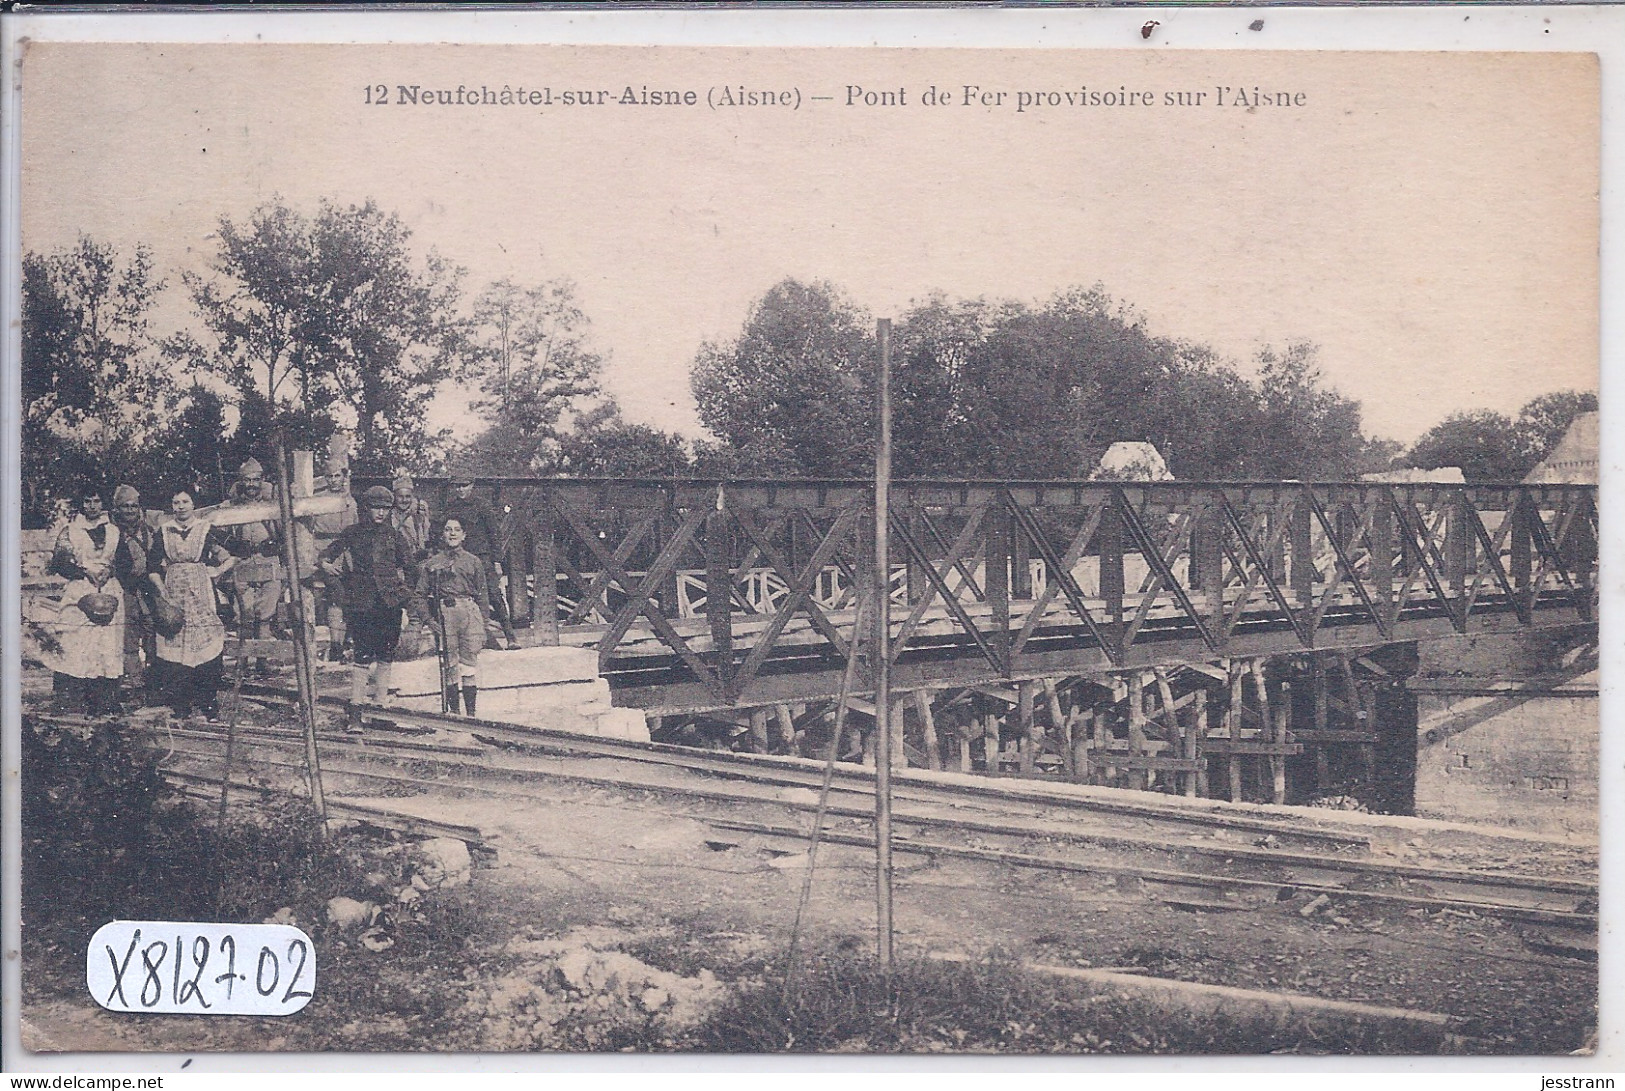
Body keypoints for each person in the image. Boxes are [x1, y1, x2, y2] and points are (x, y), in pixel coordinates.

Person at [320, 484, 419, 729]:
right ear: (366, 508)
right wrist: (328, 570)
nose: (381, 513)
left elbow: (411, 569)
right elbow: (326, 556)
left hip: (389, 605)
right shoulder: (352, 533)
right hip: (361, 605)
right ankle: (356, 712)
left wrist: (403, 594)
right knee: (362, 655)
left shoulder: (395, 536)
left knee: (386, 655)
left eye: (385, 509)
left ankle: (380, 710)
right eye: (376, 508)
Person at [43, 489, 140, 715]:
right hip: (80, 590)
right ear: (81, 504)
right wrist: (83, 571)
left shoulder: (114, 531)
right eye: (88, 500)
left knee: (107, 643)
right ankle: (73, 699)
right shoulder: (70, 531)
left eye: (97, 501)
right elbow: (60, 562)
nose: (93, 506)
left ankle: (104, 700)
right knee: (76, 642)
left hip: (109, 589)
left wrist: (111, 570)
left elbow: (126, 563)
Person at [148, 491, 235, 721]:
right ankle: (181, 706)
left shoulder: (205, 528)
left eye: (185, 502)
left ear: (193, 504)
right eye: (176, 502)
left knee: (207, 644)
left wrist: (217, 569)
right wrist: (163, 592)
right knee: (176, 649)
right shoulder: (164, 531)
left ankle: (208, 705)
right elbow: (152, 567)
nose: (181, 507)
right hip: (174, 592)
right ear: (171, 506)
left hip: (201, 592)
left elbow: (237, 550)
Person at [414, 517, 495, 716]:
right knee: (450, 664)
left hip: (469, 611)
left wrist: (483, 621)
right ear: (442, 534)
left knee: (469, 664)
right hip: (445, 613)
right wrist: (429, 620)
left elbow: (483, 593)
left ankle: (471, 715)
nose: (452, 533)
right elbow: (419, 595)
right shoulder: (432, 564)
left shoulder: (473, 561)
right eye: (448, 529)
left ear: (464, 535)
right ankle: (455, 714)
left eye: (457, 530)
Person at [438, 472, 519, 649]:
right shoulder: (450, 508)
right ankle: (478, 639)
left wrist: (497, 561)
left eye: (464, 485)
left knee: (494, 595)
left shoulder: (482, 506)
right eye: (457, 486)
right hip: (460, 559)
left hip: (483, 558)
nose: (461, 489)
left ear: (472, 485)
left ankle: (511, 637)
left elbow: (494, 534)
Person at [222, 457, 284, 674]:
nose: (251, 485)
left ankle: (263, 660)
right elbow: (219, 534)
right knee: (243, 613)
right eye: (247, 480)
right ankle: (242, 661)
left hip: (268, 559)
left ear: (262, 481)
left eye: (255, 480)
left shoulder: (272, 505)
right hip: (243, 561)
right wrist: (230, 548)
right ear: (241, 482)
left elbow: (286, 532)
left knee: (265, 614)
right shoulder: (230, 507)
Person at [110, 484, 158, 698]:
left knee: (152, 634)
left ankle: (154, 679)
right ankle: (136, 682)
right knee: (128, 638)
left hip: (147, 590)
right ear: (117, 509)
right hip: (124, 591)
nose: (130, 510)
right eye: (125, 506)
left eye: (133, 506)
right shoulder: (112, 532)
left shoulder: (148, 531)